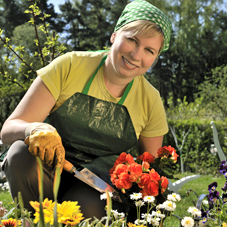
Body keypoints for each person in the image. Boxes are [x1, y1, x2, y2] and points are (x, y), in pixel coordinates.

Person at [0, 0, 172, 220]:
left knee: (85, 206)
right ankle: (34, 223)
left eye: (149, 50)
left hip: (97, 189)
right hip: (48, 171)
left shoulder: (150, 100)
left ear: (155, 57)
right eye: (132, 40)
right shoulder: (70, 66)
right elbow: (9, 128)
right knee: (18, 154)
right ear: (114, 35)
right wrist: (34, 128)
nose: (137, 55)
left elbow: (150, 171)